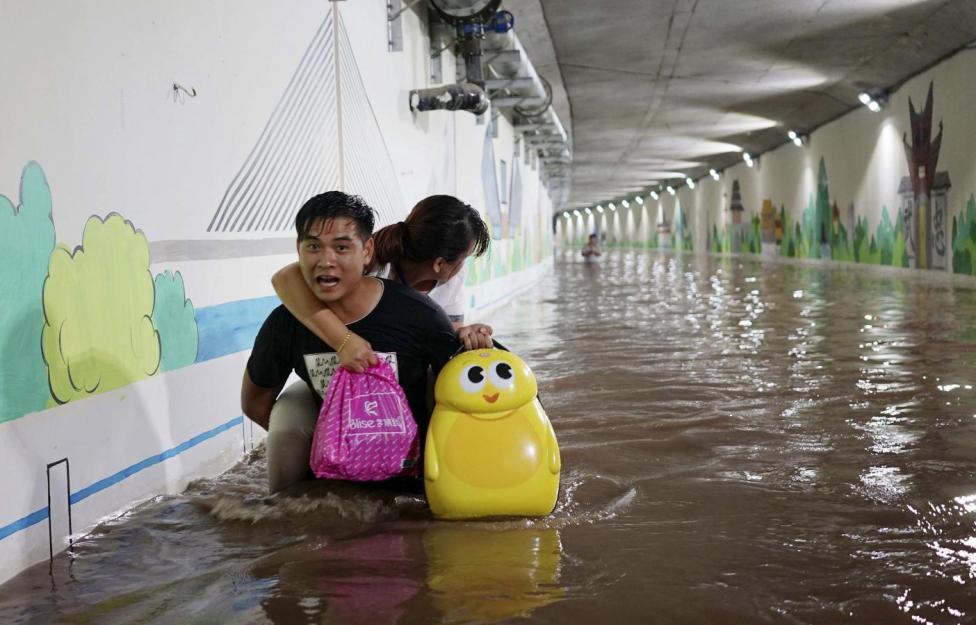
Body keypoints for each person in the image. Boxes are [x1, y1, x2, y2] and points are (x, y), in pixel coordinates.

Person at [241, 192, 464, 494]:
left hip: (407, 474)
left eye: (342, 247)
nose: (326, 261)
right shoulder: (286, 323)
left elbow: (463, 391)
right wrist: (331, 444)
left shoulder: (419, 315)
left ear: (367, 251)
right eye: (313, 247)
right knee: (287, 420)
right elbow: (255, 403)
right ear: (299, 250)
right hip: (332, 477)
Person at [272, 195, 493, 373]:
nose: (462, 266)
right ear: (439, 263)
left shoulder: (453, 279)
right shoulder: (372, 260)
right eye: (463, 259)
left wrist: (466, 334)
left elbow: (447, 331)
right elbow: (285, 278)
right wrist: (344, 341)